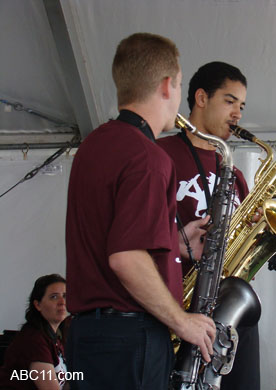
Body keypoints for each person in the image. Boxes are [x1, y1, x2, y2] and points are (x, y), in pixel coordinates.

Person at [65, 33, 215, 390]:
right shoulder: (149, 157)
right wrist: (182, 321)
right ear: (167, 85)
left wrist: (173, 244)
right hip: (129, 339)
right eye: (179, 86)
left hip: (88, 334)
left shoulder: (94, 144)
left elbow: (107, 239)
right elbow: (126, 259)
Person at [157, 61, 260, 390]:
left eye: (241, 106)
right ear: (201, 98)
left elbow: (243, 258)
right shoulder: (159, 155)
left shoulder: (236, 174)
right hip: (175, 308)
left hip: (226, 317)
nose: (238, 114)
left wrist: (254, 237)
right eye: (229, 101)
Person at [0, 274, 68, 389]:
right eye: (54, 297)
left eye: (65, 296)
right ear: (38, 305)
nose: (62, 302)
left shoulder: (54, 337)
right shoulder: (33, 339)